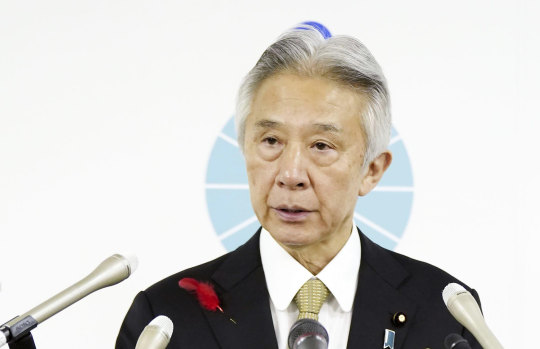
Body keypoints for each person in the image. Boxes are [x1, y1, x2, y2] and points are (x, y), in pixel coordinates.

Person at [116, 23, 482, 349]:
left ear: (372, 170)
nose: (290, 174)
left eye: (321, 146)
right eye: (271, 141)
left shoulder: (446, 312)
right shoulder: (165, 322)